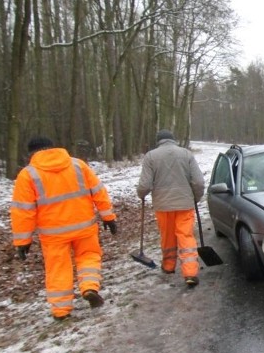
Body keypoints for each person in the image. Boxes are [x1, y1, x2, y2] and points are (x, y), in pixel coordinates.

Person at [10, 136, 117, 320]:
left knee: (58, 267)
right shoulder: (78, 165)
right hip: (85, 226)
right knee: (88, 257)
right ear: (53, 147)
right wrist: (108, 217)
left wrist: (23, 241)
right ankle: (89, 287)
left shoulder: (28, 175)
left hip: (53, 233)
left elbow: (23, 211)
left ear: (31, 153)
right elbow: (99, 191)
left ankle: (61, 311)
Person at [137, 130, 205, 287]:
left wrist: (141, 194)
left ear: (158, 141)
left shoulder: (151, 156)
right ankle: (190, 273)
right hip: (185, 204)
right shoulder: (186, 154)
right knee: (185, 236)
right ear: (173, 140)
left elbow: (145, 185)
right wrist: (196, 197)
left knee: (167, 236)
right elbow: (199, 182)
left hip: (162, 205)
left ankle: (168, 266)